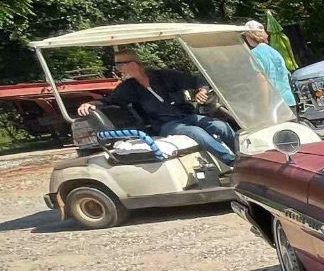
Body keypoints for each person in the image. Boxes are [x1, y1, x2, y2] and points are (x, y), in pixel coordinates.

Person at [99, 48, 239, 167]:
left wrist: (202, 90)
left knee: (220, 125)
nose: (118, 69)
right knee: (195, 131)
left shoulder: (165, 75)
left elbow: (196, 80)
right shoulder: (128, 87)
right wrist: (90, 104)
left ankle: (245, 156)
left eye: (119, 65)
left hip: (187, 115)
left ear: (133, 64)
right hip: (165, 124)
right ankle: (233, 162)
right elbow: (109, 101)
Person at [242, 21, 296, 108]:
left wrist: (264, 105)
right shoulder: (274, 51)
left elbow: (262, 80)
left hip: (274, 103)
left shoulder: (254, 54)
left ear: (249, 35)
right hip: (289, 100)